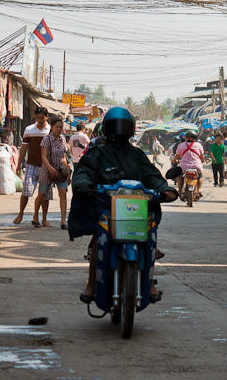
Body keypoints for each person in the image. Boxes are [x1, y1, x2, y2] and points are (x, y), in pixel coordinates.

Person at [69, 107, 177, 301]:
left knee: (149, 236)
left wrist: (164, 189)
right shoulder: (97, 153)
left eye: (123, 126)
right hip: (106, 208)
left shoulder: (136, 155)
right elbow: (84, 171)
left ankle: (149, 281)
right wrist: (83, 184)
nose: (119, 131)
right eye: (115, 126)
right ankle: (92, 283)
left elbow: (152, 175)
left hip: (135, 208)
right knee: (98, 240)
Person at [14, 107, 50, 226]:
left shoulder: (50, 130)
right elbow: (24, 148)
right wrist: (18, 164)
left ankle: (44, 219)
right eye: (37, 117)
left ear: (46, 117)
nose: (39, 120)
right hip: (31, 164)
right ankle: (20, 214)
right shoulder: (29, 129)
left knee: (45, 194)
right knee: (26, 191)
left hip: (46, 166)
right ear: (35, 117)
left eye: (42, 118)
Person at [36, 115, 71, 229]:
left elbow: (64, 156)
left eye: (61, 127)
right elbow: (43, 156)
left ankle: (63, 221)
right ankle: (37, 216)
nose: (60, 129)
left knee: (63, 193)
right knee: (42, 195)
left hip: (61, 170)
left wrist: (68, 172)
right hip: (47, 170)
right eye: (57, 127)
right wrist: (50, 168)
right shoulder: (46, 139)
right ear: (52, 127)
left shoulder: (63, 139)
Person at [173, 131, 205, 196]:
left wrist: (175, 160)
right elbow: (202, 157)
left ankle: (179, 190)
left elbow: (177, 156)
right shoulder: (199, 145)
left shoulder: (181, 145)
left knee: (180, 177)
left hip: (184, 167)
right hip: (197, 166)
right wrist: (202, 161)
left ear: (186, 138)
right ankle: (198, 190)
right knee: (200, 176)